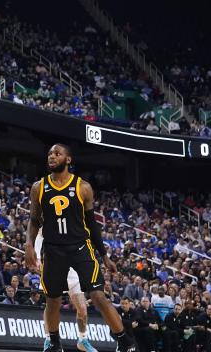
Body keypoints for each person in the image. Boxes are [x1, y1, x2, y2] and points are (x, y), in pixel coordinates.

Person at [25, 144, 137, 352]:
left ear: (68, 159)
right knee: (53, 300)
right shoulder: (38, 187)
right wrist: (29, 244)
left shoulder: (83, 187)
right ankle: (54, 343)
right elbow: (33, 219)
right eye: (49, 153)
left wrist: (104, 255)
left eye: (57, 154)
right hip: (53, 249)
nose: (52, 156)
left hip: (80, 247)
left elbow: (92, 224)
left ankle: (126, 342)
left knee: (97, 295)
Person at [35, 231, 99, 352]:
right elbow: (39, 235)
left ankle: (82, 340)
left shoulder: (77, 221)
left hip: (74, 270)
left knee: (82, 308)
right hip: (54, 267)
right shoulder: (53, 216)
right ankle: (49, 340)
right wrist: (37, 257)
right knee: (51, 306)